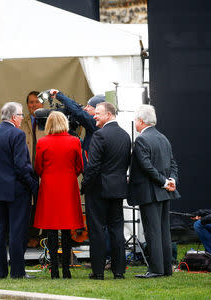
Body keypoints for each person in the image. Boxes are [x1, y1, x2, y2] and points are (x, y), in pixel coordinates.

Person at [0, 102, 39, 279]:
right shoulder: (18, 134)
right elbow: (21, 166)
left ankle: (0, 271)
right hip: (16, 191)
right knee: (16, 232)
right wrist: (33, 186)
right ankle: (17, 272)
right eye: (21, 115)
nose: (22, 118)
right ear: (14, 117)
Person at [127, 104, 180, 279]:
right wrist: (171, 180)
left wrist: (165, 181)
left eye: (136, 119)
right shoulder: (163, 138)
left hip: (150, 193)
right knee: (164, 231)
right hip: (165, 192)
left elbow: (146, 166)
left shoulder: (141, 140)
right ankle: (166, 268)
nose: (135, 122)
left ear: (141, 121)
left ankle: (156, 269)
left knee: (152, 232)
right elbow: (173, 163)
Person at [81, 102, 131, 280]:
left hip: (98, 190)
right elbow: (125, 163)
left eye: (98, 113)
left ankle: (98, 271)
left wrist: (84, 185)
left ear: (109, 115)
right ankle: (119, 271)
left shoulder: (99, 135)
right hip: (117, 189)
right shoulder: (125, 135)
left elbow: (93, 167)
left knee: (97, 230)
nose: (94, 115)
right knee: (116, 229)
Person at [33, 111, 84, 279]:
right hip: (68, 185)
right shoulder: (74, 141)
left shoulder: (42, 142)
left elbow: (38, 167)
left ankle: (54, 268)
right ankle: (67, 269)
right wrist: (69, 175)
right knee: (67, 227)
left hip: (49, 187)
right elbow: (79, 166)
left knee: (51, 229)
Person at [49, 89, 105, 166]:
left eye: (89, 106)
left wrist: (58, 95)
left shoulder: (96, 123)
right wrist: (75, 137)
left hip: (93, 173)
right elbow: (89, 143)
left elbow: (78, 112)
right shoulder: (95, 126)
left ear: (97, 110)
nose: (85, 108)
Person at [20, 91, 47, 248]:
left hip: (44, 169)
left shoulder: (48, 120)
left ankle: (44, 236)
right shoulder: (22, 122)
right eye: (30, 102)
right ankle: (31, 235)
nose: (33, 105)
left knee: (43, 204)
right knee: (29, 205)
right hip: (27, 168)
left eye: (37, 102)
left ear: (42, 104)